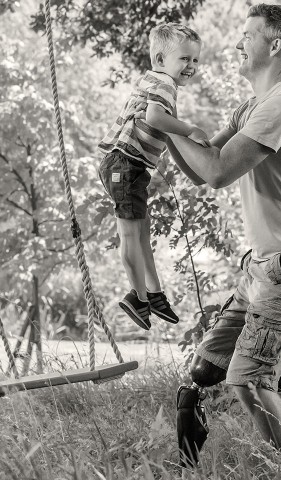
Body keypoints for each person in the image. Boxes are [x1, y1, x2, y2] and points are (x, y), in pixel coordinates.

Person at [164, 4, 281, 469]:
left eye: (248, 35)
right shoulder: (251, 107)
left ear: (275, 45)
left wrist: (164, 123)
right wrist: (165, 128)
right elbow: (203, 167)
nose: (238, 43)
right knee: (204, 369)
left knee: (249, 378)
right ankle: (190, 459)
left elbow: (219, 171)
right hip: (263, 267)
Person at [96, 23, 208, 330]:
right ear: (160, 59)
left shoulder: (155, 81)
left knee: (141, 231)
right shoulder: (165, 84)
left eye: (195, 60)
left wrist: (192, 167)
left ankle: (154, 294)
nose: (191, 66)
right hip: (125, 164)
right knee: (131, 234)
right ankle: (138, 297)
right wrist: (191, 130)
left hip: (127, 165)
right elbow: (155, 118)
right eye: (184, 58)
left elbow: (163, 132)